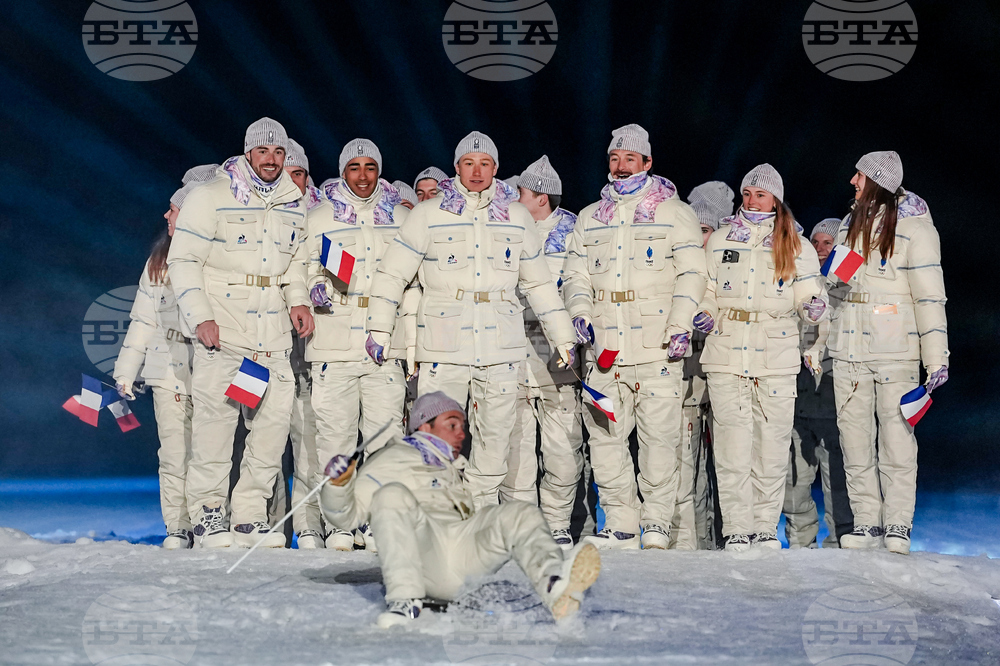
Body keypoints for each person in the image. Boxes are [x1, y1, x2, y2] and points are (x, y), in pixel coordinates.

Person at [367, 131, 576, 510]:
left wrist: (563, 337)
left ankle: (477, 513)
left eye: (484, 164)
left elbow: (539, 283)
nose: (476, 171)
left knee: (496, 437)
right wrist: (379, 328)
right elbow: (393, 273)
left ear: (495, 168)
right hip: (444, 344)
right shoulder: (429, 214)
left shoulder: (515, 216)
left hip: (500, 344)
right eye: (468, 163)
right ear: (457, 167)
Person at [320, 392, 601, 628]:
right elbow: (346, 516)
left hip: (463, 557)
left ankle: (555, 587)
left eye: (462, 426)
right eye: (452, 425)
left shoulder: (452, 464)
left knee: (519, 513)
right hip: (427, 555)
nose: (461, 434)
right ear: (424, 426)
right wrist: (338, 485)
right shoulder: (392, 457)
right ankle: (404, 599)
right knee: (391, 496)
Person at [167, 117, 314, 548]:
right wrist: (200, 316)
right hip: (225, 331)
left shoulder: (293, 202)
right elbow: (183, 260)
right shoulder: (211, 196)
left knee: (270, 425)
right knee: (216, 424)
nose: (271, 160)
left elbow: (297, 265)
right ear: (249, 153)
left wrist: (299, 300)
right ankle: (209, 514)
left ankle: (248, 515)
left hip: (270, 338)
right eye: (263, 152)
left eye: (278, 153)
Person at [563, 124, 708, 550]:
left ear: (647, 163)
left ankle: (657, 521)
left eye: (630, 159)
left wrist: (681, 325)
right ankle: (622, 521)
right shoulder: (591, 217)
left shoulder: (674, 212)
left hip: (657, 344)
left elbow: (692, 273)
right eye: (614, 159)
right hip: (606, 346)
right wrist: (580, 313)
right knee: (605, 437)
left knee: (659, 439)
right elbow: (575, 274)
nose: (621, 166)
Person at [694, 164, 828, 552]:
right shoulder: (720, 240)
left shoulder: (796, 244)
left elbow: (808, 291)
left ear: (776, 200)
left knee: (771, 446)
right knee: (732, 445)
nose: (752, 201)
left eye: (761, 194)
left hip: (776, 353)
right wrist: (703, 310)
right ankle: (737, 526)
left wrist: (813, 308)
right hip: (726, 351)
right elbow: (707, 288)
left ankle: (764, 528)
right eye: (748, 193)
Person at [828, 151, 948, 555]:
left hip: (895, 350)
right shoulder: (848, 225)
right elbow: (835, 291)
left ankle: (897, 523)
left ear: (876, 180)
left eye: (858, 175)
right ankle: (867, 523)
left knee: (896, 441)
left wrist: (937, 358)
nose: (852, 181)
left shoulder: (915, 229)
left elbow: (930, 298)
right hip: (849, 350)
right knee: (854, 441)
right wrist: (818, 340)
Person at [306, 139, 415, 551]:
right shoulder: (318, 217)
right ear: (342, 171)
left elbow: (414, 277)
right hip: (334, 338)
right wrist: (315, 286)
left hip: (384, 340)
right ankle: (339, 523)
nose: (363, 175)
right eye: (354, 167)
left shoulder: (402, 216)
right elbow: (302, 267)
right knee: (335, 437)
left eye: (371, 166)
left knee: (385, 437)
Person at [112, 170, 215, 549]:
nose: (166, 217)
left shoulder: (218, 260)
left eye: (174, 210)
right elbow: (143, 320)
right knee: (173, 453)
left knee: (212, 453)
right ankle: (178, 526)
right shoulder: (158, 262)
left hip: (212, 367)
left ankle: (212, 522)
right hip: (167, 370)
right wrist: (125, 371)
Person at [501, 155, 584, 549]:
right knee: (513, 444)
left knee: (562, 448)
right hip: (512, 347)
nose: (513, 197)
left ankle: (556, 524)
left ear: (541, 197)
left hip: (557, 350)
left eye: (520, 192)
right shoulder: (506, 226)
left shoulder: (573, 232)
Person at [669, 180, 735, 550]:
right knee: (686, 466)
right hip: (689, 382)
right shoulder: (677, 267)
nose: (701, 239)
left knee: (729, 466)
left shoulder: (734, 262)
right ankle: (695, 544)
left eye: (707, 231)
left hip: (726, 377)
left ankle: (730, 540)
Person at [782, 218, 855, 548]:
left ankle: (841, 541)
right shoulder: (798, 283)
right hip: (796, 395)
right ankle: (800, 543)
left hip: (832, 395)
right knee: (794, 480)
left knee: (837, 478)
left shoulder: (849, 284)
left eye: (829, 242)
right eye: (816, 242)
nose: (822, 248)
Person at [279, 138, 325, 549]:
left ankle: (311, 524)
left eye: (298, 174)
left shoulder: (325, 218)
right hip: (266, 347)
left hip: (314, 351)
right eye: (286, 173)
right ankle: (269, 525)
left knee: (312, 438)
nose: (291, 183)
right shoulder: (258, 216)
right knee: (263, 438)